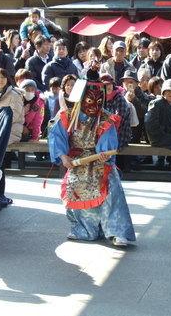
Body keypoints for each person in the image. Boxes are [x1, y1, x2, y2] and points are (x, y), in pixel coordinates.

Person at [48, 75, 136, 247]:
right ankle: (85, 230)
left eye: (98, 100)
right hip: (76, 160)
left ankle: (116, 231)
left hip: (100, 161)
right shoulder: (68, 115)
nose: (94, 104)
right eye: (89, 99)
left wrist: (104, 154)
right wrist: (63, 156)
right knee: (76, 188)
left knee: (111, 187)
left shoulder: (106, 118)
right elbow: (56, 136)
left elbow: (108, 144)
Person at [0, 68, 25, 204]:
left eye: (3, 77)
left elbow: (14, 116)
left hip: (11, 129)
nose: (0, 80)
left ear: (7, 79)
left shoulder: (15, 94)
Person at [145, 78, 171, 154]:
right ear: (163, 92)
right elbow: (150, 124)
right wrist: (163, 135)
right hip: (158, 137)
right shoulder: (156, 103)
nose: (170, 93)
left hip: (170, 136)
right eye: (168, 91)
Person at [100, 73, 132, 152]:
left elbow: (119, 121)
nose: (109, 87)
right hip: (105, 134)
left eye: (110, 84)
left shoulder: (119, 98)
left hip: (120, 135)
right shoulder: (100, 99)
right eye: (106, 85)